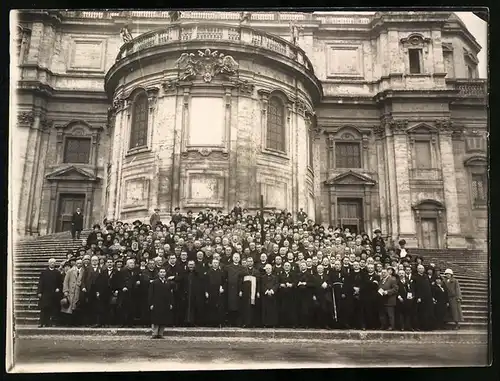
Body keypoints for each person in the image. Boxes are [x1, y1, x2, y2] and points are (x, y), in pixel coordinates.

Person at [149, 268, 175, 339]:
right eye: (161, 272)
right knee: (155, 319)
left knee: (163, 319)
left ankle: (160, 334)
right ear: (158, 273)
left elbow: (170, 294)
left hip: (165, 303)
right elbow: (151, 294)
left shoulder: (168, 283)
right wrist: (151, 304)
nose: (162, 273)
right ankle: (154, 333)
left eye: (164, 272)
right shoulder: (154, 282)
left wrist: (170, 303)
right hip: (156, 303)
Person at [37, 258, 63, 327]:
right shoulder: (44, 272)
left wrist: (58, 288)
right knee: (44, 308)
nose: (52, 264)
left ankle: (50, 323)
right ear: (49, 263)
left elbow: (60, 283)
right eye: (51, 262)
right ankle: (42, 322)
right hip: (45, 293)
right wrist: (39, 292)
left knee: (53, 308)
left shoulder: (57, 273)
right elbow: (41, 283)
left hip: (54, 294)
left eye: (54, 263)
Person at [62, 258, 84, 325]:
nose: (79, 264)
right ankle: (68, 322)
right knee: (69, 307)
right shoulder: (70, 271)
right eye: (78, 263)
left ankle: (76, 322)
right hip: (71, 291)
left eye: (80, 263)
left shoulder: (84, 271)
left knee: (76, 307)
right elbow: (65, 281)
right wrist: (65, 290)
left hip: (79, 291)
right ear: (75, 264)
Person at [204, 258, 226, 327]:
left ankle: (219, 322)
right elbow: (206, 283)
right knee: (211, 307)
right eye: (214, 263)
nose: (215, 264)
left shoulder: (221, 272)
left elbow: (224, 282)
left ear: (218, 263)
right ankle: (212, 322)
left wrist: (222, 288)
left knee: (219, 307)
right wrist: (206, 291)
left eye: (216, 263)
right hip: (211, 291)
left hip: (219, 291)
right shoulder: (208, 272)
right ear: (212, 264)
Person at [224, 253, 244, 326]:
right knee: (230, 305)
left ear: (239, 259)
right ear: (232, 258)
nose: (236, 258)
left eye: (237, 257)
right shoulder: (228, 267)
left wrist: (241, 290)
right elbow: (225, 278)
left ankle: (237, 323)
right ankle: (230, 322)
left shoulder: (242, 268)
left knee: (238, 305)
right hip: (230, 289)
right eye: (235, 257)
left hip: (238, 289)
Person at [413, 264, 435, 331]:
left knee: (429, 312)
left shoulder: (426, 276)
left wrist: (432, 296)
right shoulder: (415, 277)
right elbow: (415, 288)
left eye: (422, 268)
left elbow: (429, 287)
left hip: (428, 297)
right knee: (421, 312)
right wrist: (418, 297)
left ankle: (429, 326)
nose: (421, 269)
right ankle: (421, 326)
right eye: (419, 268)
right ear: (417, 269)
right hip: (420, 298)